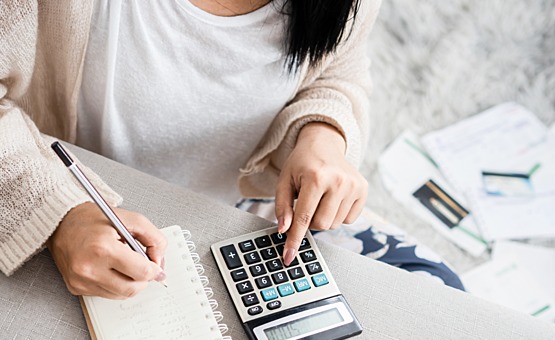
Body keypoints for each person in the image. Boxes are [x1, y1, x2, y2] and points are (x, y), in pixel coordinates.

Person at [0, 0, 463, 300]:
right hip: (66, 199)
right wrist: (61, 215)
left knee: (438, 291)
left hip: (244, 209)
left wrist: (323, 134)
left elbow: (338, 70)